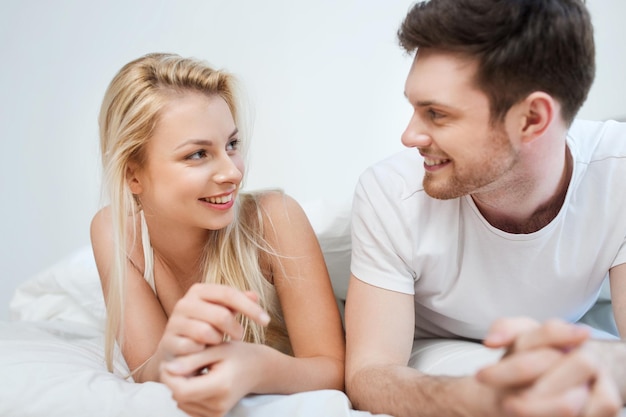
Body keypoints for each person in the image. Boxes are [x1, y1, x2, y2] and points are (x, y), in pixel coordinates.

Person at [344, 1, 626, 416]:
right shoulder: (389, 192)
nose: (409, 136)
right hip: (422, 331)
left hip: (560, 322)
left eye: (436, 114)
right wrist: (475, 402)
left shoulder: (617, 172)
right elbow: (369, 372)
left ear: (531, 118)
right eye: (415, 108)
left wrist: (598, 364)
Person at [90, 52, 345, 417]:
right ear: (133, 174)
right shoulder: (113, 231)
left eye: (232, 145)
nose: (232, 173)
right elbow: (148, 371)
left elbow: (333, 369)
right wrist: (172, 352)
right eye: (197, 154)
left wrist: (257, 367)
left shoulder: (276, 218)